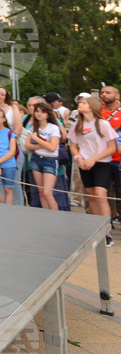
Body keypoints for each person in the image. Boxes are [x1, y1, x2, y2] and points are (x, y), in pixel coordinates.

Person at [69, 95, 119, 247]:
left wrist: (94, 159)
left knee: (101, 195)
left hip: (101, 163)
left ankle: (107, 232)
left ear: (91, 106)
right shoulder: (78, 124)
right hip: (84, 164)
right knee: (91, 197)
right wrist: (79, 158)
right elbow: (73, 145)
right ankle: (97, 230)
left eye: (83, 102)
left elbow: (112, 147)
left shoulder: (102, 124)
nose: (80, 104)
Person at [24, 101, 62, 210]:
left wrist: (36, 139)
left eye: (42, 112)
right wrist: (43, 145)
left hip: (50, 160)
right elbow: (27, 145)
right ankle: (46, 215)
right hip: (36, 159)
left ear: (48, 114)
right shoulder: (32, 127)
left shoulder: (53, 128)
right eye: (37, 111)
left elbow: (52, 147)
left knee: (47, 192)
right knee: (41, 191)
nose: (39, 114)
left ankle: (55, 216)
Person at [98, 86, 121, 227]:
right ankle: (108, 222)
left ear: (117, 96)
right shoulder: (97, 112)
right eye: (102, 93)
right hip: (103, 159)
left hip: (118, 158)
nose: (104, 95)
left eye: (108, 92)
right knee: (104, 192)